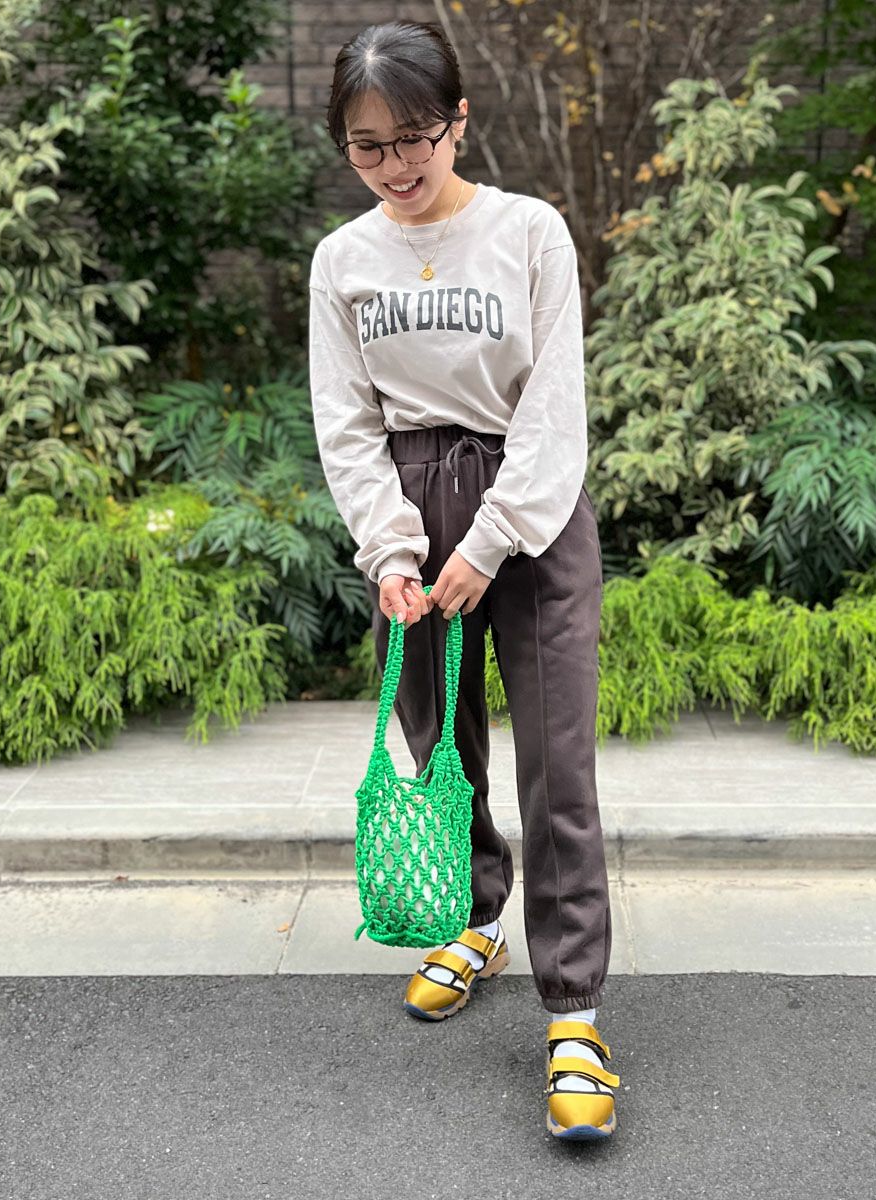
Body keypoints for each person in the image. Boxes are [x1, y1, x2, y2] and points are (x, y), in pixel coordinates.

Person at [307, 18, 620, 1141]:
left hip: (528, 511)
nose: (396, 165)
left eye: (415, 138)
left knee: (557, 764)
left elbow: (554, 405)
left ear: (459, 122)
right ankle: (476, 920)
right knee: (443, 743)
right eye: (368, 146)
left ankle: (574, 1012)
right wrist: (391, 547)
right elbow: (345, 419)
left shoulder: (527, 232)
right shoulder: (342, 260)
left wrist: (490, 542)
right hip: (408, 500)